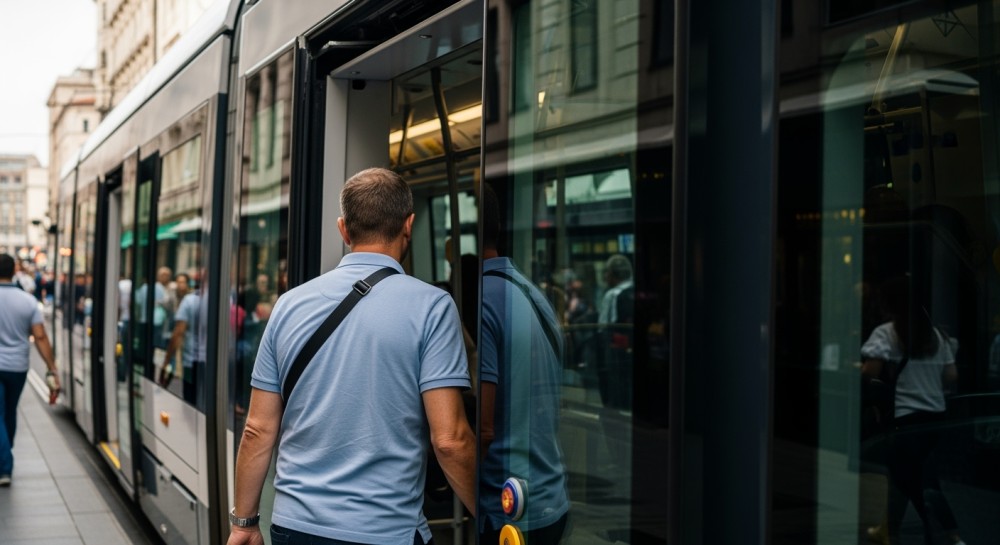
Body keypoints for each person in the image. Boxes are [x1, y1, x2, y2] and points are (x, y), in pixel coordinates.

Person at [228, 168, 476, 545]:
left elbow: (257, 429)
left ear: (343, 230)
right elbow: (450, 441)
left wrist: (244, 525)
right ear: (408, 225)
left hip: (295, 529)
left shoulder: (289, 305)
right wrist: (489, 516)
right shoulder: (433, 307)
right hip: (385, 533)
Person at [479, 184, 569, 544]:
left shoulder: (484, 299)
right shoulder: (531, 292)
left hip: (509, 510)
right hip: (551, 496)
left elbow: (484, 429)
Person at [861, 275, 965, 545]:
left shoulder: (887, 332)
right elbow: (951, 375)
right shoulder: (936, 335)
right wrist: (927, 382)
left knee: (914, 479)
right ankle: (889, 530)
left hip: (905, 419)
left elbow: (871, 371)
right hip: (935, 416)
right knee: (906, 474)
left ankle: (950, 535)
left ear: (889, 304)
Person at [0, 253, 60, 486]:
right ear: (14, 270)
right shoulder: (27, 301)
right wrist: (52, 367)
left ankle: (4, 465)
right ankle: (5, 454)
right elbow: (40, 336)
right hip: (18, 366)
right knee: (10, 411)